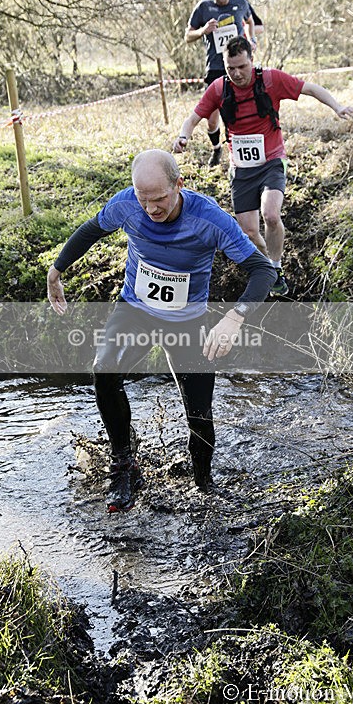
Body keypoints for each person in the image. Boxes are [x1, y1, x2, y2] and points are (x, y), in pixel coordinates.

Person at [47, 149, 276, 513]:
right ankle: (124, 466)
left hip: (186, 322)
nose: (151, 208)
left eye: (159, 199)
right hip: (135, 312)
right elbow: (92, 228)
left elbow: (263, 270)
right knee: (104, 369)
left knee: (199, 413)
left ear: (178, 185)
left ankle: (204, 484)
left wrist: (235, 317)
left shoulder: (209, 219)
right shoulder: (127, 205)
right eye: (143, 199)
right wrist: (56, 270)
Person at [173, 36, 353, 296]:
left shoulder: (270, 79)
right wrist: (183, 136)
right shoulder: (219, 88)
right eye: (231, 68)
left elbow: (311, 89)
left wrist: (338, 107)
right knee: (249, 231)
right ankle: (268, 268)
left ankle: (276, 265)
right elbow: (193, 119)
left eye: (242, 66)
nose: (237, 74)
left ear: (252, 60)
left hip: (272, 159)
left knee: (271, 215)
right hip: (240, 167)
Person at [186, 0, 263, 167]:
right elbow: (187, 35)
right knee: (212, 119)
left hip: (237, 67)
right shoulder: (203, 8)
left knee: (238, 112)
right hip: (215, 67)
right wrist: (203, 31)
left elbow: (251, 22)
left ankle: (237, 149)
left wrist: (251, 39)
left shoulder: (241, 4)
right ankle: (216, 148)